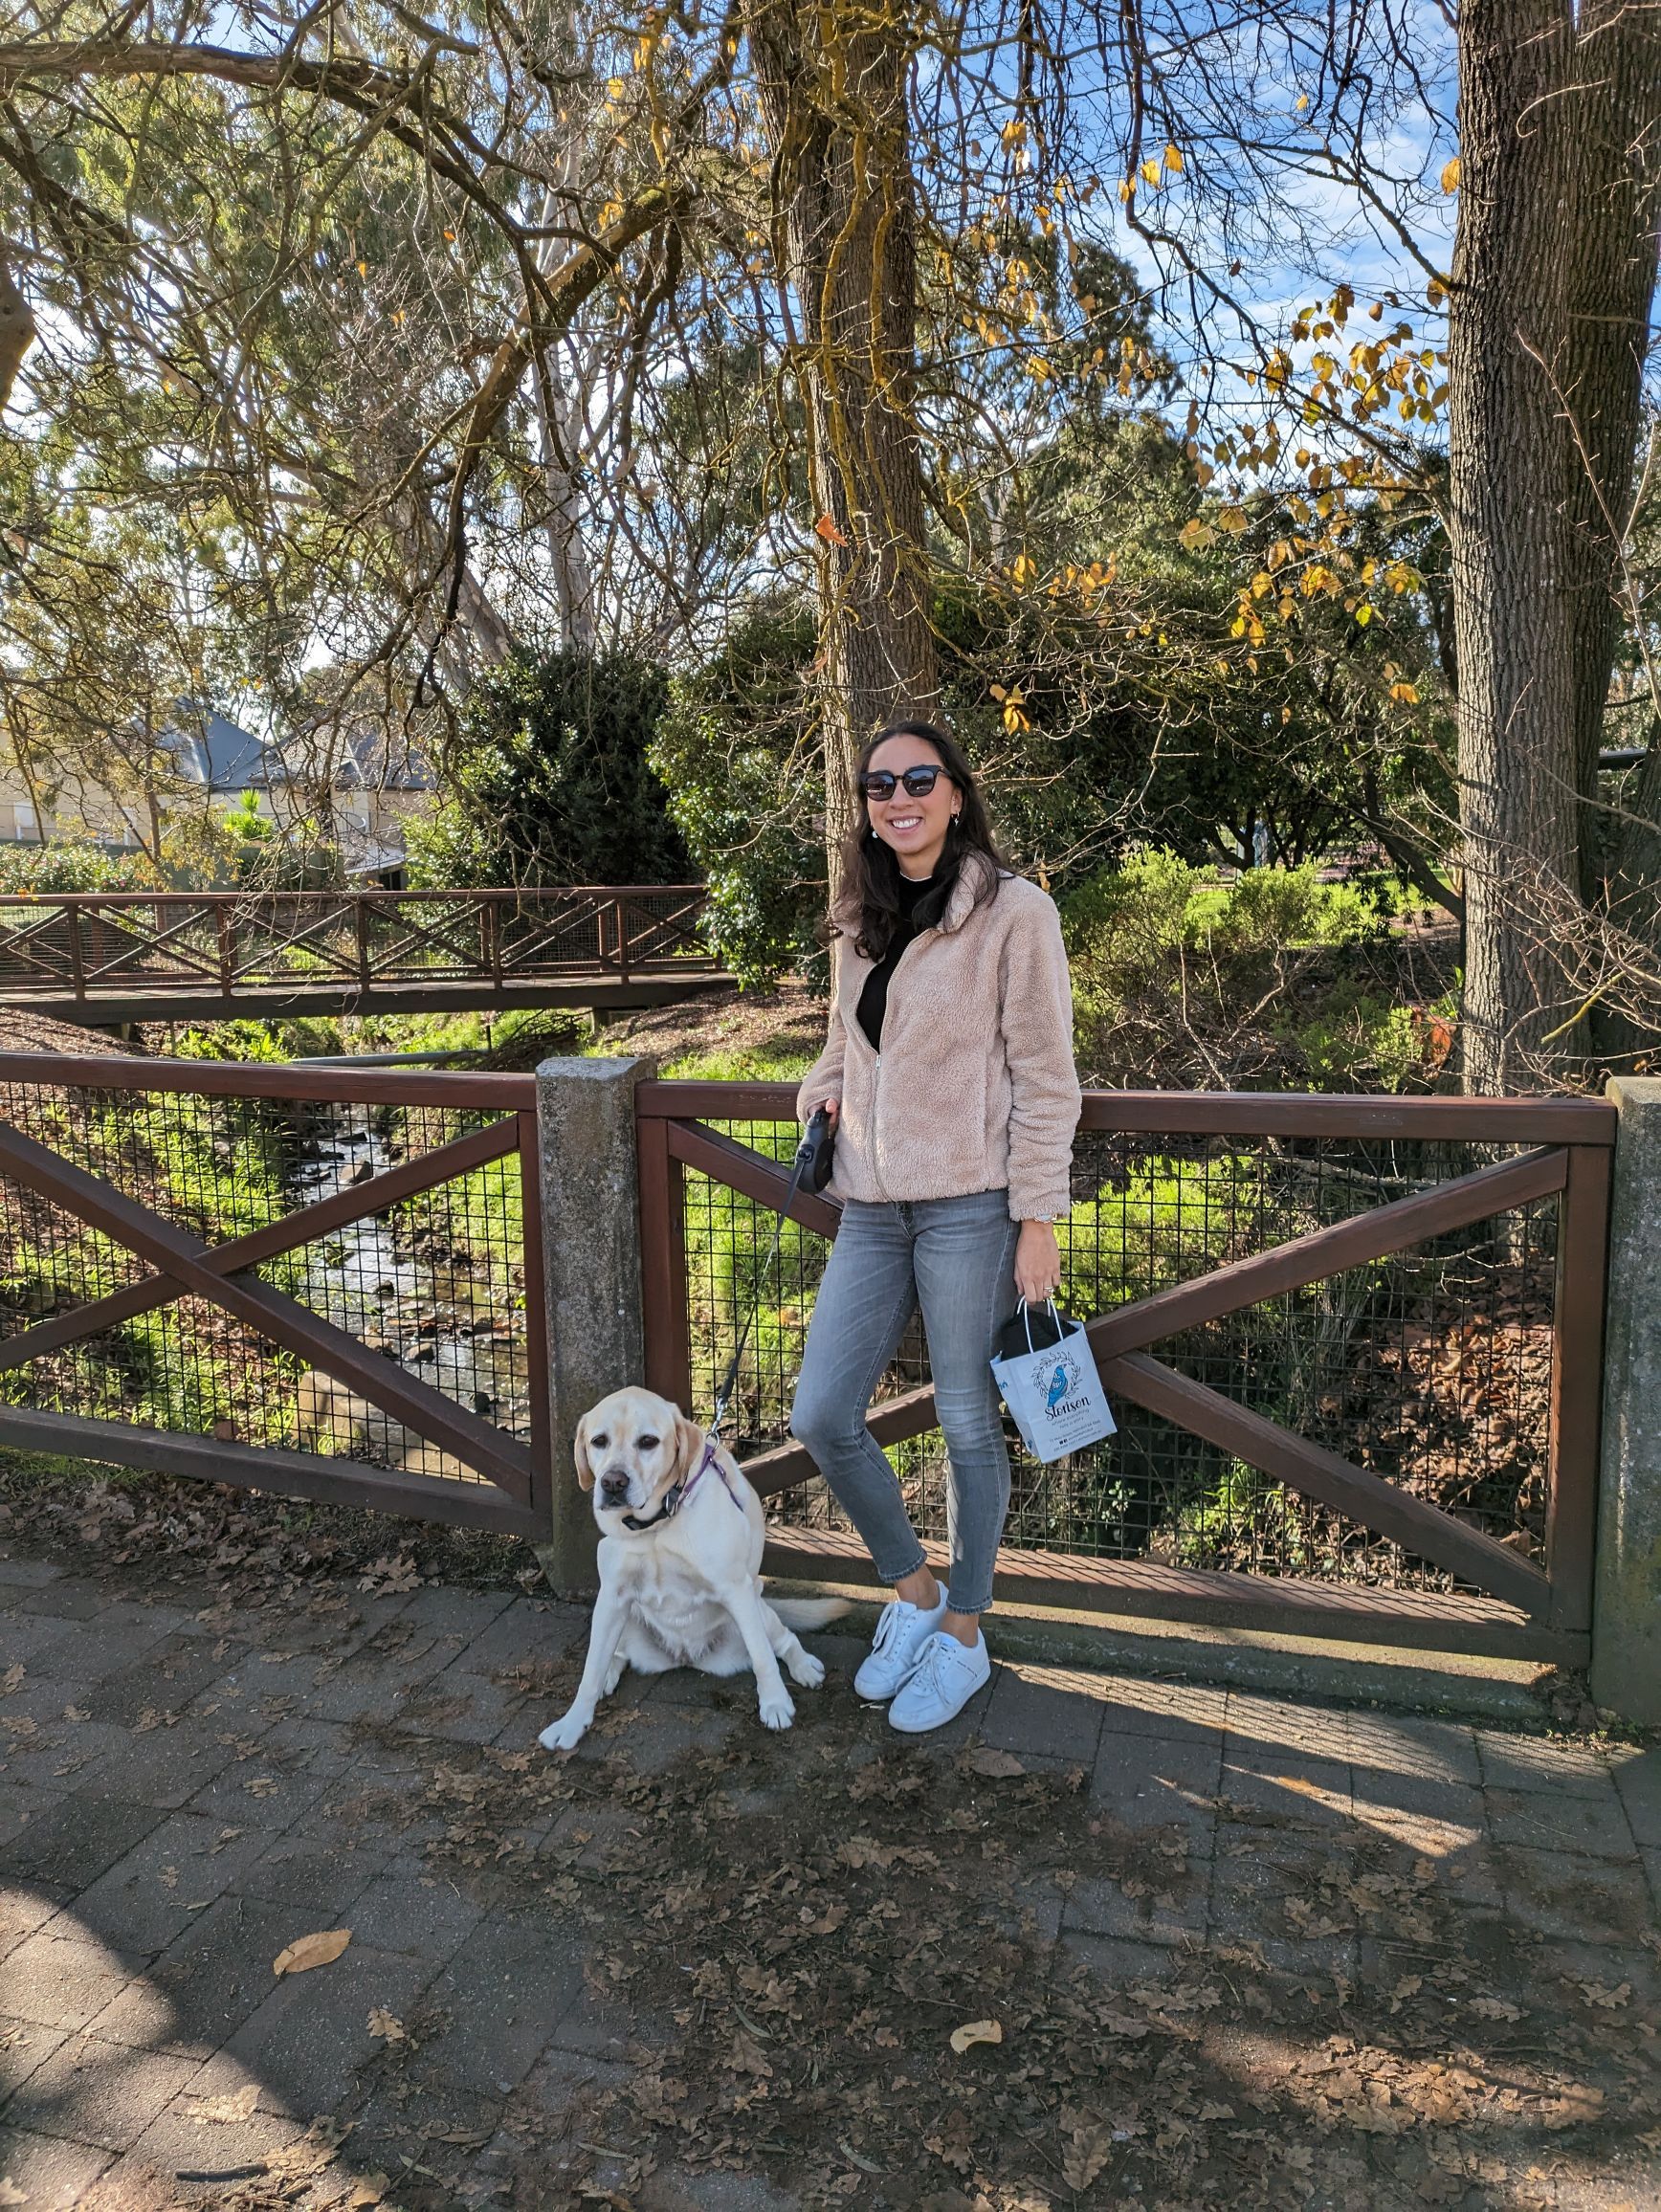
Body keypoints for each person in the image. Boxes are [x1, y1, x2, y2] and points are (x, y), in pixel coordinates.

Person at [788, 719, 1081, 1732]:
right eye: (878, 784)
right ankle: (911, 1594)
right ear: (863, 804)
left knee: (964, 1420)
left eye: (918, 778)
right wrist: (818, 1104)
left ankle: (963, 1628)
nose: (897, 797)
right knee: (821, 1414)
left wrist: (1037, 1214)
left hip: (969, 1203)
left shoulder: (1014, 913)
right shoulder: (856, 917)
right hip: (868, 1205)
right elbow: (837, 1048)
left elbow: (1047, 1079)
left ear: (956, 793)